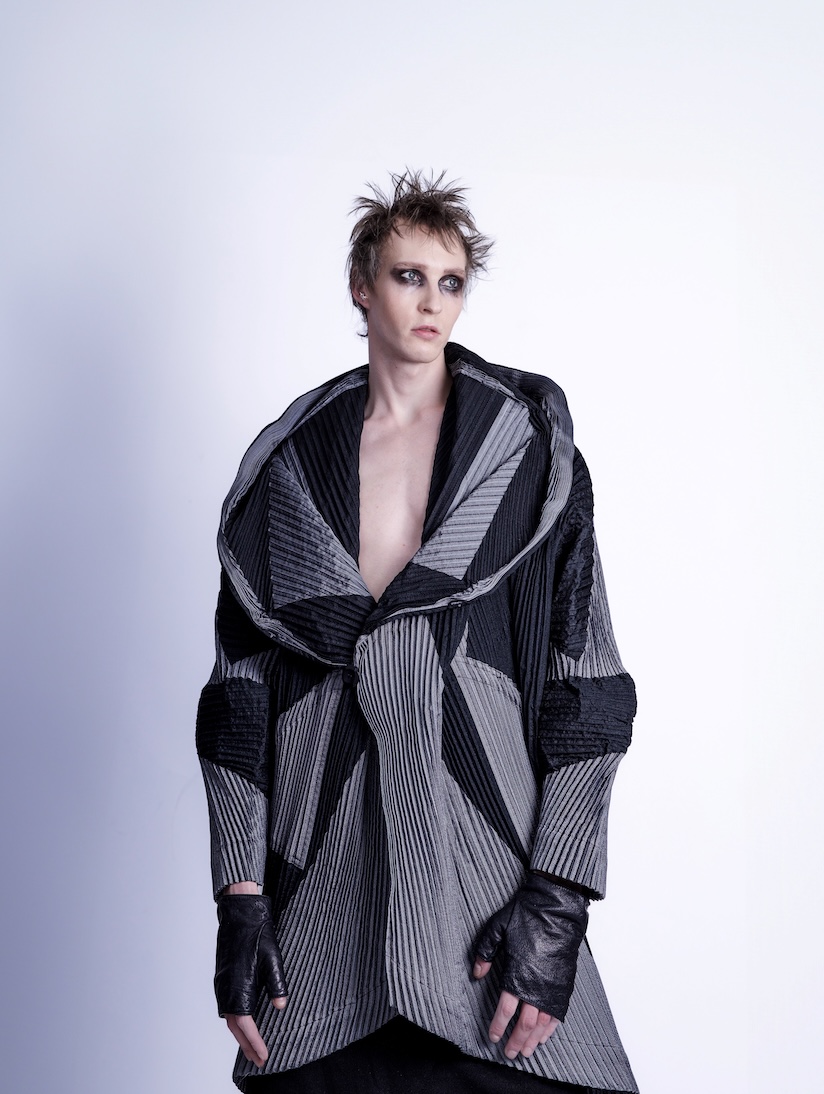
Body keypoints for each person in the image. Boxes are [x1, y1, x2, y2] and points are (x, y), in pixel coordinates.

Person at [197, 171, 639, 1093]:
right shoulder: (286, 469)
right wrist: (241, 900)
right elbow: (237, 703)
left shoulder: (528, 453)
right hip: (323, 872)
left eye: (451, 282)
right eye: (408, 277)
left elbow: (587, 688)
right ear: (361, 286)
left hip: (481, 858)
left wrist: (557, 902)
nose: (432, 302)